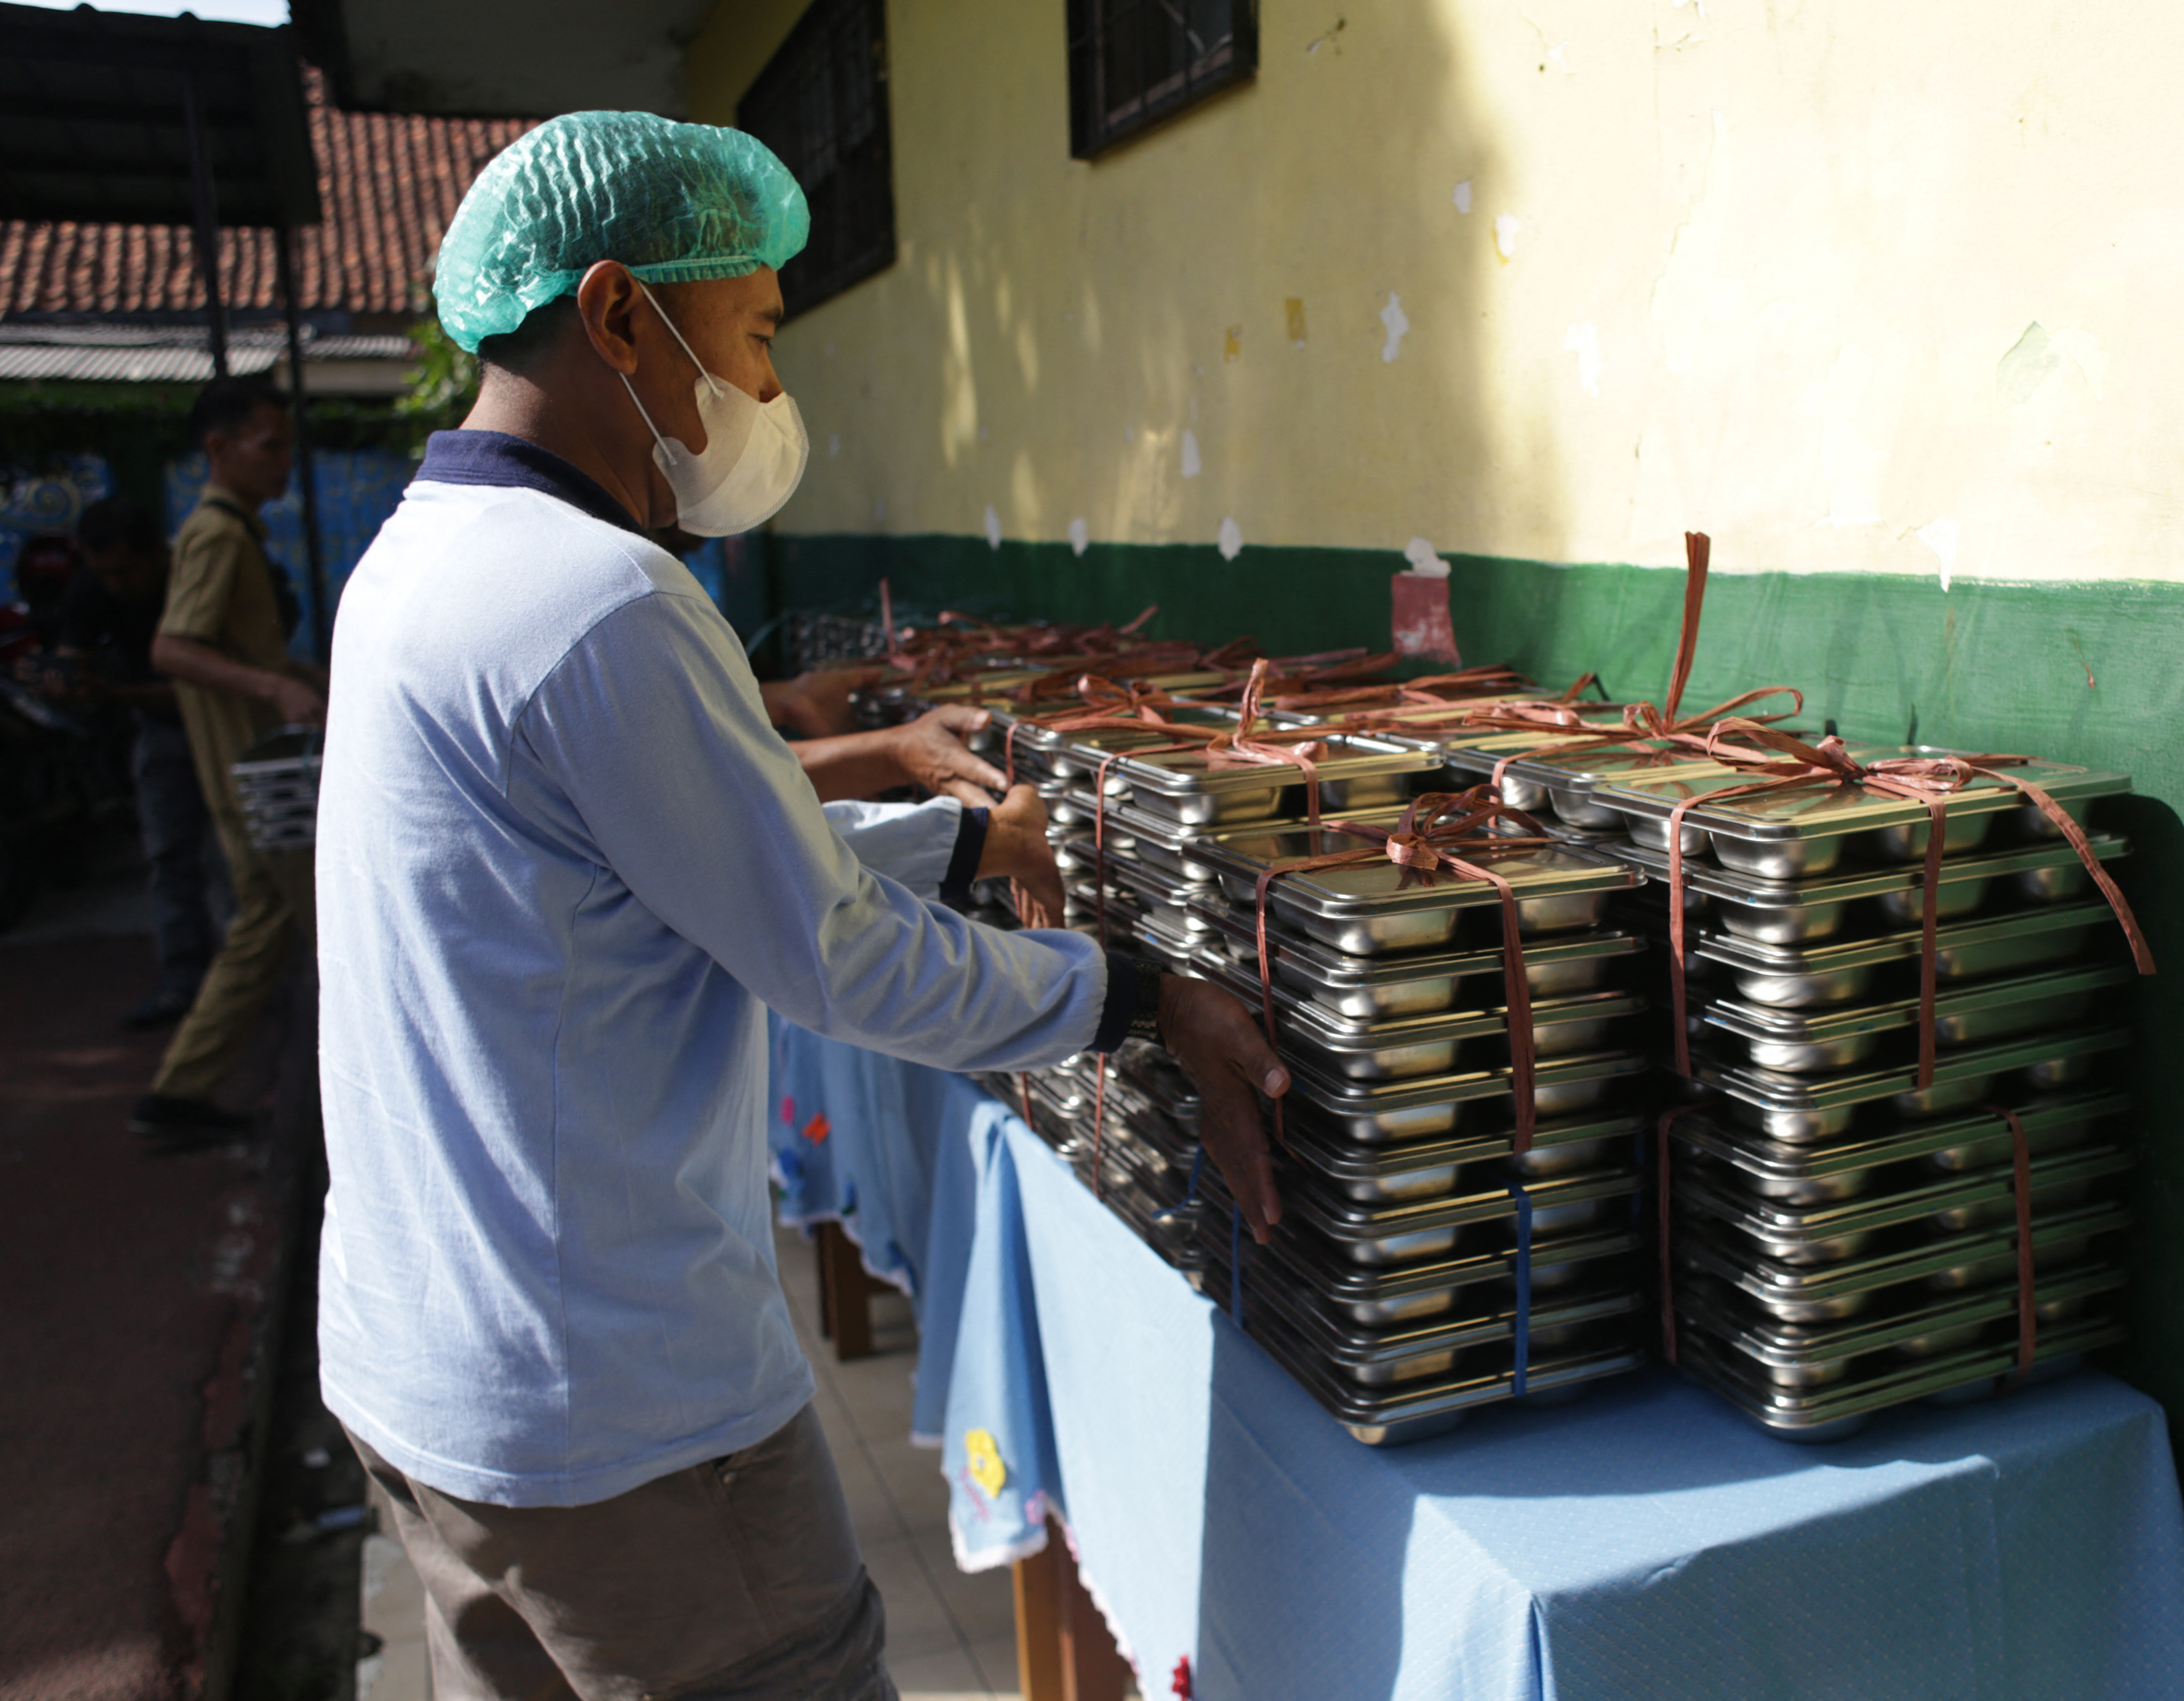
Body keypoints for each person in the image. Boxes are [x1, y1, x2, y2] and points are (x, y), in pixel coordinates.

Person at [315, 111, 1284, 1698]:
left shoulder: (416, 566)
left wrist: (964, 850)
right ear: (620, 311)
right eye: (756, 335)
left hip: (431, 1378)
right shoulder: (600, 599)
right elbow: (828, 955)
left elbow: (667, 886)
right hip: (617, 1423)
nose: (767, 395)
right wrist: (1127, 989)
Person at [132, 378, 330, 1145]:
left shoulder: (233, 531)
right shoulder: (217, 534)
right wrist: (273, 685)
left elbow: (239, 647)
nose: (284, 462)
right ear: (219, 450)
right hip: (253, 775)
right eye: (269, 445)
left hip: (257, 770)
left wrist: (301, 675)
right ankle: (180, 1091)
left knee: (273, 922)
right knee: (292, 920)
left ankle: (182, 1091)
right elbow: (173, 648)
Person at [57, 496, 229, 1028]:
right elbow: (71, 659)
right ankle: (186, 980)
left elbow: (190, 680)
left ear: (157, 554)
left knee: (237, 861)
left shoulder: (192, 576)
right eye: (103, 573)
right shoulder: (92, 588)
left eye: (126, 571)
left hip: (219, 724)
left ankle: (239, 982)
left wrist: (114, 690)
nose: (115, 585)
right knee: (171, 858)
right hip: (160, 731)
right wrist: (71, 682)